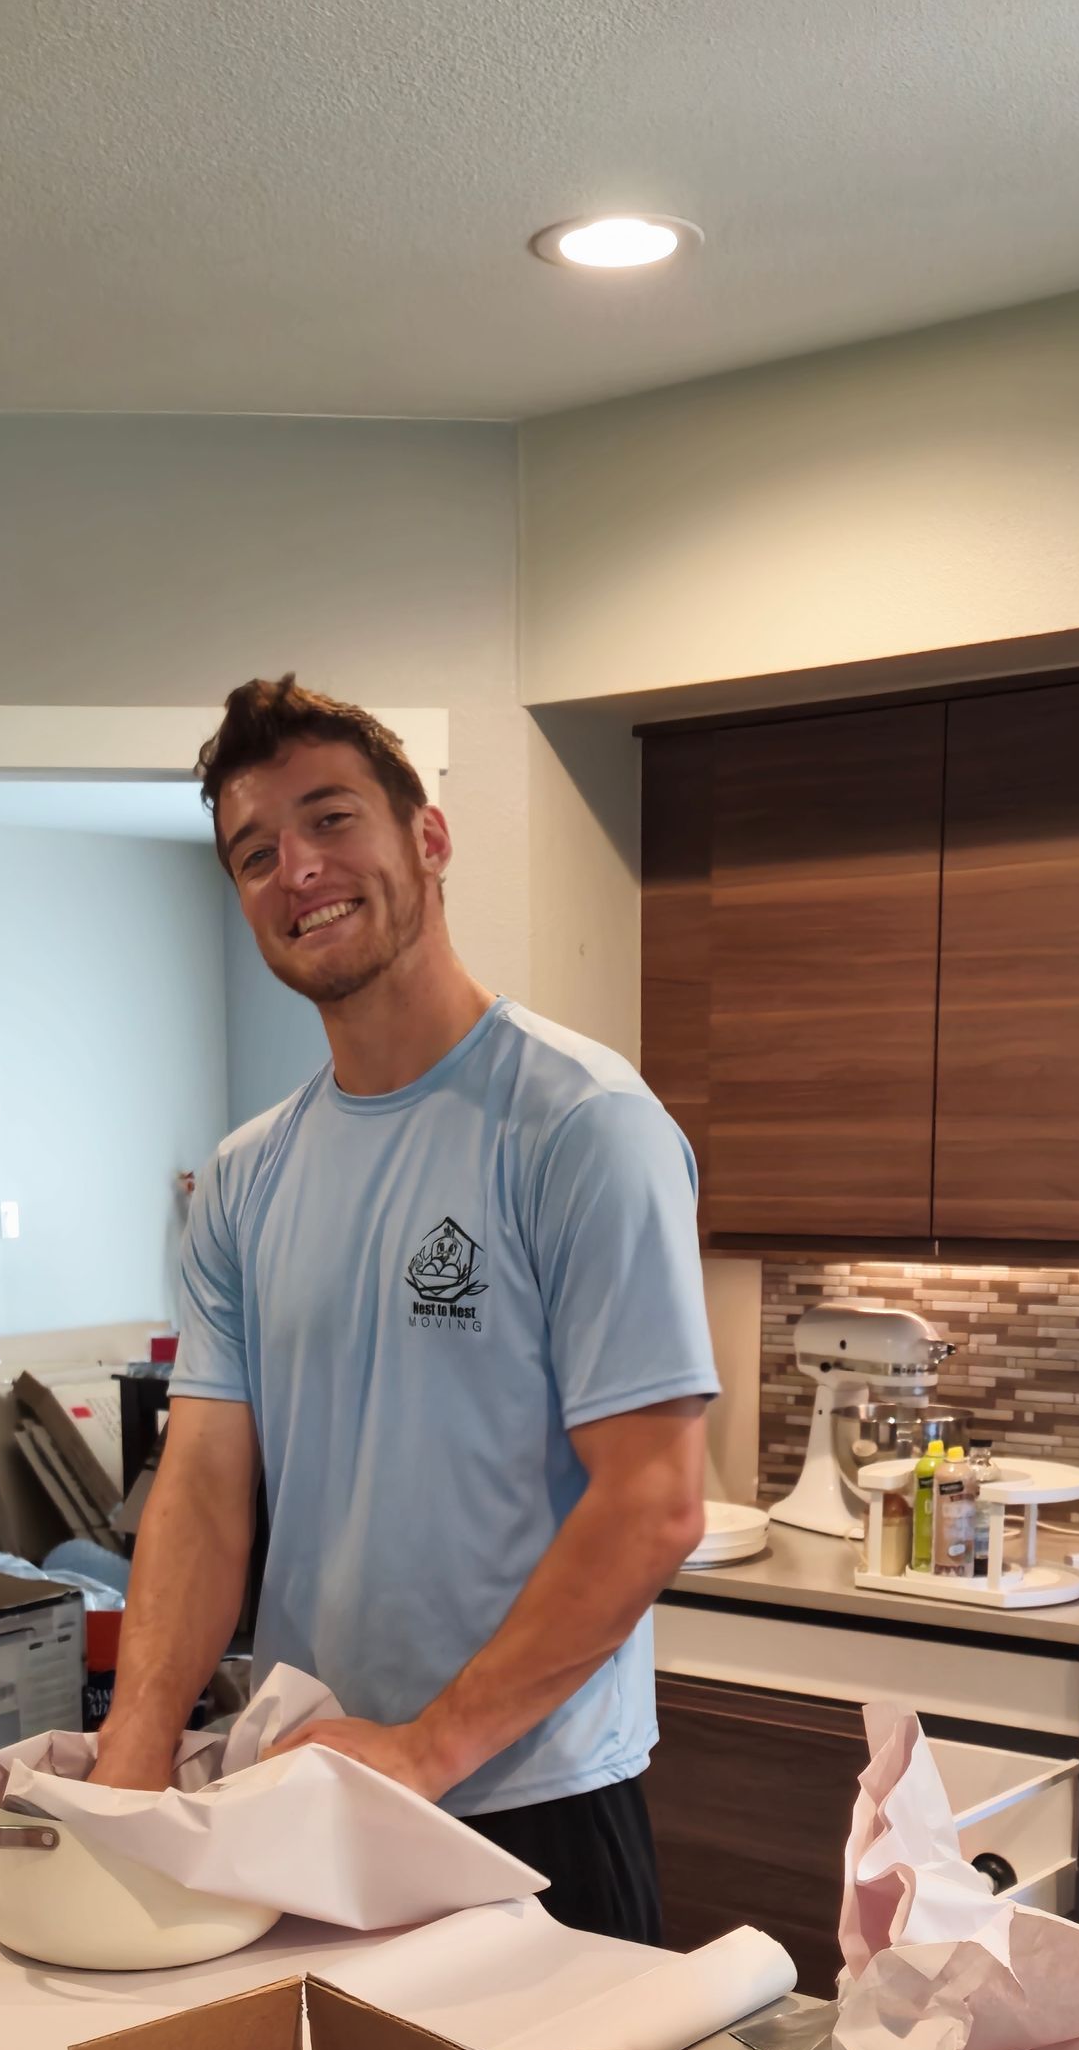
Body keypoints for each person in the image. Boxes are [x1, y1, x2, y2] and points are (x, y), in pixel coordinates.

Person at [89, 674, 718, 1942]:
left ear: (427, 838)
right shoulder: (246, 1176)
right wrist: (131, 1762)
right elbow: (207, 1484)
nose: (297, 870)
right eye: (255, 852)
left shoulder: (583, 1126)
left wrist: (428, 1751)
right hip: (307, 1789)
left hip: (529, 1804)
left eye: (331, 821)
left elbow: (654, 1500)